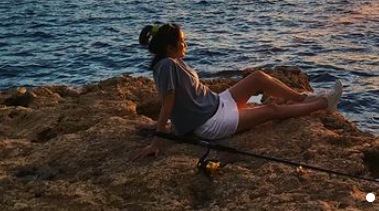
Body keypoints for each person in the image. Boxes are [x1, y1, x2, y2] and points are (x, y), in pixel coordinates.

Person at [132, 22, 342, 160]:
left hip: (217, 104)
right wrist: (157, 139)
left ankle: (302, 98)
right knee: (271, 110)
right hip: (211, 124)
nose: (185, 44)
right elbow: (168, 104)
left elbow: (180, 103)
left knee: (258, 77)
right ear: (170, 48)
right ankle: (324, 103)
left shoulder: (171, 61)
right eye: (182, 41)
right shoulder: (168, 66)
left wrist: (163, 125)